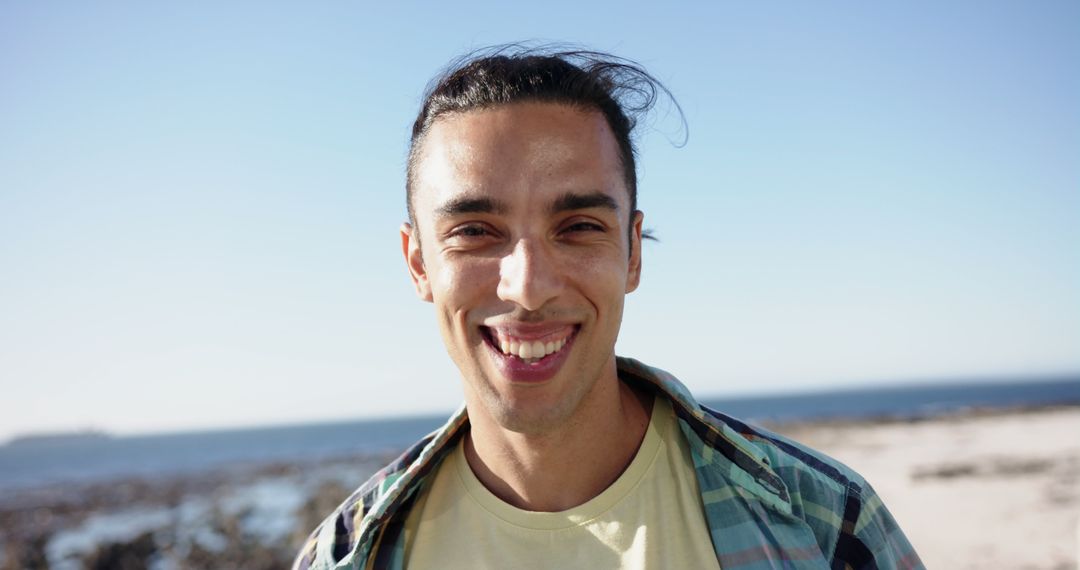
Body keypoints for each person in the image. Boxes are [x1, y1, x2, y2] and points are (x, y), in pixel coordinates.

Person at [294, 46, 923, 570]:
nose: (528, 288)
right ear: (418, 262)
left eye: (578, 227)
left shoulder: (824, 522)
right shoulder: (344, 556)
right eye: (476, 231)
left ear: (632, 254)